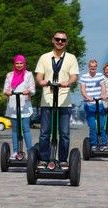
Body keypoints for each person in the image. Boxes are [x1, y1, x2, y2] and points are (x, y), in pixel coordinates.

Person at [35, 30, 79, 168]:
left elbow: (74, 76)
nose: (60, 42)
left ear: (66, 43)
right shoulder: (44, 57)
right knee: (44, 133)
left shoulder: (71, 58)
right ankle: (44, 159)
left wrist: (68, 82)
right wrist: (41, 81)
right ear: (53, 40)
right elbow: (39, 75)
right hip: (47, 99)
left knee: (64, 134)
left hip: (64, 100)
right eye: (57, 39)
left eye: (63, 40)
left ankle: (63, 160)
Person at [3, 54, 35, 159]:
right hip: (13, 105)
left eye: (21, 63)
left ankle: (30, 151)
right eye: (17, 63)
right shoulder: (9, 75)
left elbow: (33, 89)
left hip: (25, 105)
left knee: (26, 128)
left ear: (24, 63)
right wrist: (7, 92)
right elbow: (5, 89)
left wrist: (28, 91)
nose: (19, 65)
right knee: (15, 130)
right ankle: (15, 151)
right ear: (14, 64)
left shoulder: (29, 75)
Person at [80, 59, 108, 152]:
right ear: (89, 67)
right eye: (91, 67)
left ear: (96, 67)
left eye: (94, 66)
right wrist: (87, 97)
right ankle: (93, 144)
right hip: (89, 104)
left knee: (101, 125)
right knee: (92, 126)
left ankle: (103, 144)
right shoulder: (84, 77)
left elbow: (103, 87)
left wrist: (103, 95)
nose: (93, 68)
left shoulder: (100, 76)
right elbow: (83, 89)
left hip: (99, 103)